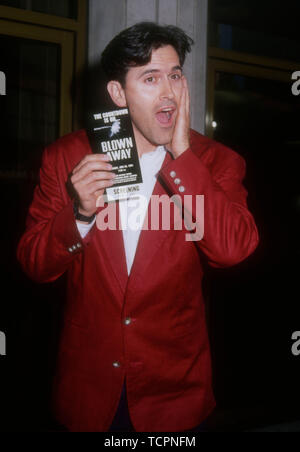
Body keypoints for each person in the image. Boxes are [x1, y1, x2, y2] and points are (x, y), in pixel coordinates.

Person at [17, 22, 259, 432]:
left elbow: (233, 250)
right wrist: (79, 214)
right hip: (89, 386)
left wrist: (182, 156)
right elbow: (34, 265)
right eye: (150, 78)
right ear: (118, 93)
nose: (169, 92)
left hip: (173, 390)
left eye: (175, 75)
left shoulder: (217, 162)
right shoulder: (67, 157)